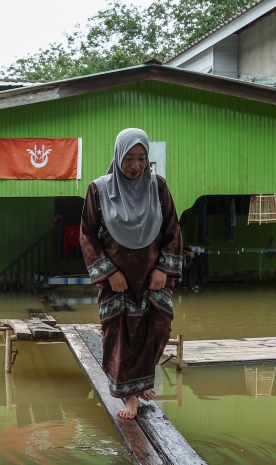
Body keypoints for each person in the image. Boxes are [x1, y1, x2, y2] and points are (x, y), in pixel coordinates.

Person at [80, 129, 182, 420]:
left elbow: (172, 229)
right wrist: (109, 272)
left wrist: (163, 268)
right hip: (117, 281)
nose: (135, 165)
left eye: (141, 158)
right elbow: (87, 235)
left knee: (158, 327)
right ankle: (132, 395)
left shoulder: (157, 187)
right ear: (117, 156)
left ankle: (143, 379)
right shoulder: (99, 190)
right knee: (122, 334)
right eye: (129, 158)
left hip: (153, 276)